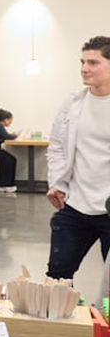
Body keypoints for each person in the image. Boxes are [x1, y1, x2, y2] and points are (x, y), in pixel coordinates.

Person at [45, 35, 110, 282]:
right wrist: (57, 183)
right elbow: (57, 148)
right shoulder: (72, 104)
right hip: (75, 205)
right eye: (82, 62)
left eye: (93, 63)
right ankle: (58, 319)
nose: (84, 68)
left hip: (108, 209)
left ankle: (106, 317)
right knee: (57, 278)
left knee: (109, 286)